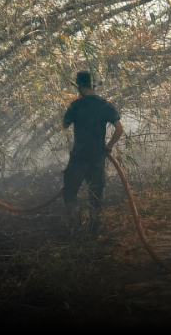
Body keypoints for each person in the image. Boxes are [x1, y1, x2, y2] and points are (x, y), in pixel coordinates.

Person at [61, 71, 124, 235]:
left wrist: (70, 110)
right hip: (97, 158)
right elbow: (119, 129)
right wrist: (109, 146)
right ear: (93, 86)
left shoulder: (76, 105)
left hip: (78, 157)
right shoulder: (105, 105)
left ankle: (73, 230)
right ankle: (94, 232)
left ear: (80, 87)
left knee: (69, 192)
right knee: (95, 196)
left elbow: (64, 125)